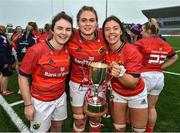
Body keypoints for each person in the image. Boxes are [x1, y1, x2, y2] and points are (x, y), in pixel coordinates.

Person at [18, 11, 73, 132]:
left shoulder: (69, 50)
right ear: (52, 30)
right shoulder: (36, 50)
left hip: (60, 98)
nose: (64, 33)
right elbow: (22, 77)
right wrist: (28, 105)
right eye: (60, 28)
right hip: (40, 101)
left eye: (68, 29)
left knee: (57, 127)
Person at [102, 15, 148, 132]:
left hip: (136, 93)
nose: (111, 32)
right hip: (117, 92)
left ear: (121, 31)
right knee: (119, 128)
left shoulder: (132, 50)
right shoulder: (104, 50)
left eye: (115, 28)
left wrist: (120, 73)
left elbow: (133, 83)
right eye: (107, 29)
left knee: (139, 130)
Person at [67, 6, 107, 132]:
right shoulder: (70, 35)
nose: (88, 24)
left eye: (92, 20)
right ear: (78, 22)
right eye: (83, 20)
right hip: (77, 83)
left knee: (95, 119)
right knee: (79, 119)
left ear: (97, 23)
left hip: (99, 83)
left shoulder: (105, 35)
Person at [135, 18, 178, 132]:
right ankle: (150, 130)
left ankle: (138, 128)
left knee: (139, 107)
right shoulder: (163, 42)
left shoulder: (141, 42)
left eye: (143, 30)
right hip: (159, 78)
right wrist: (160, 67)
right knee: (152, 107)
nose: (141, 32)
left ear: (148, 31)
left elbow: (132, 59)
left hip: (145, 76)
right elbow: (174, 57)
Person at [0, 25, 14, 95]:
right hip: (4, 59)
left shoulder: (3, 37)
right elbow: (3, 50)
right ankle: (4, 91)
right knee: (5, 75)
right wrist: (5, 61)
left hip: (1, 59)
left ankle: (2, 88)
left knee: (2, 74)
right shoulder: (3, 38)